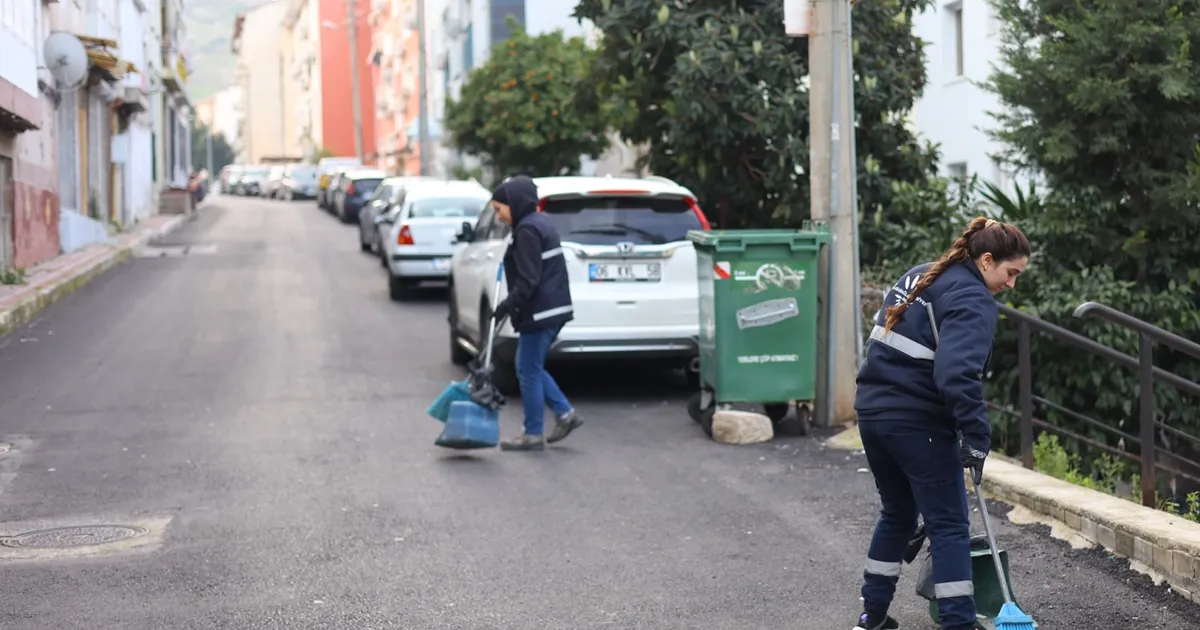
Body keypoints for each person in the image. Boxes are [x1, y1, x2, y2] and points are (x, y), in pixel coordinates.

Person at [851, 217, 1031, 630]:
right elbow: (956, 375)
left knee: (896, 514)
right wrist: (977, 435)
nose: (1011, 284)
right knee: (949, 525)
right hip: (918, 423)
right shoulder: (972, 298)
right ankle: (958, 623)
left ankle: (871, 616)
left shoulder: (920, 276)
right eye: (1011, 273)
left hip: (874, 413)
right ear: (987, 260)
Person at [488, 175, 583, 452]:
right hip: (550, 309)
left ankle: (532, 433)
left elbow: (529, 279)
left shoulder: (528, 230)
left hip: (542, 311)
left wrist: (509, 304)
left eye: (499, 209)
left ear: (514, 203)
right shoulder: (538, 223)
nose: (498, 216)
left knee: (527, 369)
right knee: (531, 366)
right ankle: (565, 414)